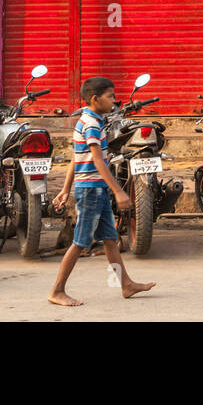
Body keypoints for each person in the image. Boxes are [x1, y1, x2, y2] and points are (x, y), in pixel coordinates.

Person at [48, 76, 155, 307]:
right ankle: (57, 291)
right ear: (95, 99)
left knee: (109, 238)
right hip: (91, 191)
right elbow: (97, 161)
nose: (114, 101)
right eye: (110, 96)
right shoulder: (92, 124)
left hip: (96, 189)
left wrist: (66, 189)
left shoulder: (90, 120)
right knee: (80, 243)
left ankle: (126, 284)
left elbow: (76, 159)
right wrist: (119, 191)